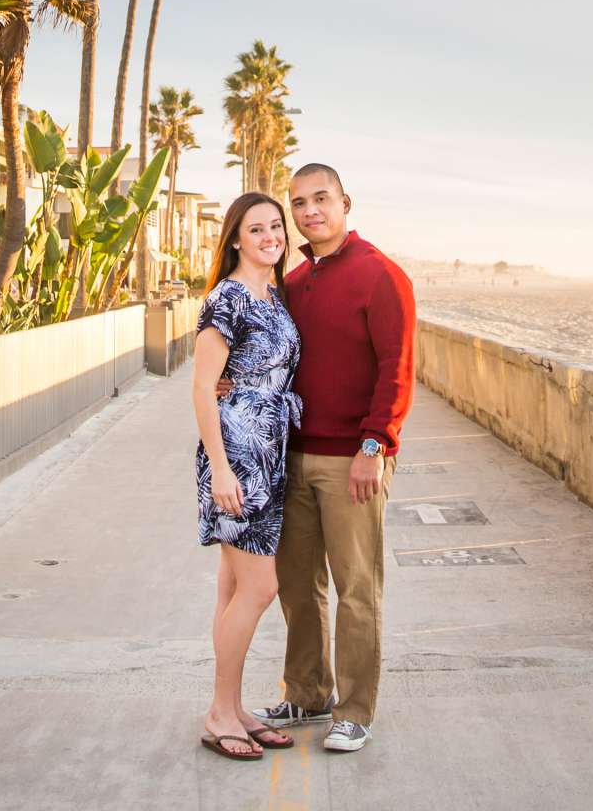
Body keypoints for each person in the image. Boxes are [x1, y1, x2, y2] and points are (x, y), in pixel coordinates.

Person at [258, 163, 415, 754]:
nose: (309, 211)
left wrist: (374, 445)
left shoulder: (381, 276)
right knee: (298, 587)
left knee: (357, 589)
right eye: (298, 203)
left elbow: (397, 369)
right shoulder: (295, 284)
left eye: (320, 199)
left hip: (353, 458)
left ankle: (354, 710)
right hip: (292, 458)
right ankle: (306, 694)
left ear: (346, 203)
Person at [189, 192, 303, 762]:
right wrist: (223, 470)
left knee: (233, 587)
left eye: (275, 227)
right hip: (237, 456)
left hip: (271, 451)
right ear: (235, 238)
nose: (270, 236)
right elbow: (203, 388)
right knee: (261, 586)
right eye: (256, 229)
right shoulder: (227, 299)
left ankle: (231, 710)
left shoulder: (275, 296)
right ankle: (218, 711)